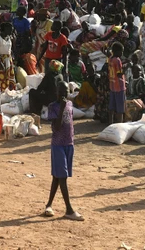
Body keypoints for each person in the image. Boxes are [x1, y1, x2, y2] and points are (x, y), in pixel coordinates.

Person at [43, 81, 83, 221]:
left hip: (68, 144)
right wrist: (61, 108)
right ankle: (69, 210)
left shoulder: (70, 105)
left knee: (57, 177)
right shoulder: (53, 107)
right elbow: (57, 127)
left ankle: (48, 205)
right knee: (62, 177)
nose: (64, 95)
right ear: (57, 93)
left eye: (66, 92)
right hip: (58, 145)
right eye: (62, 92)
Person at [107, 43, 126, 124]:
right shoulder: (117, 60)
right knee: (120, 109)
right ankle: (119, 125)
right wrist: (126, 68)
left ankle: (110, 123)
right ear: (117, 51)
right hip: (119, 87)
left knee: (111, 107)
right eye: (121, 51)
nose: (122, 53)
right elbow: (119, 74)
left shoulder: (110, 59)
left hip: (112, 86)